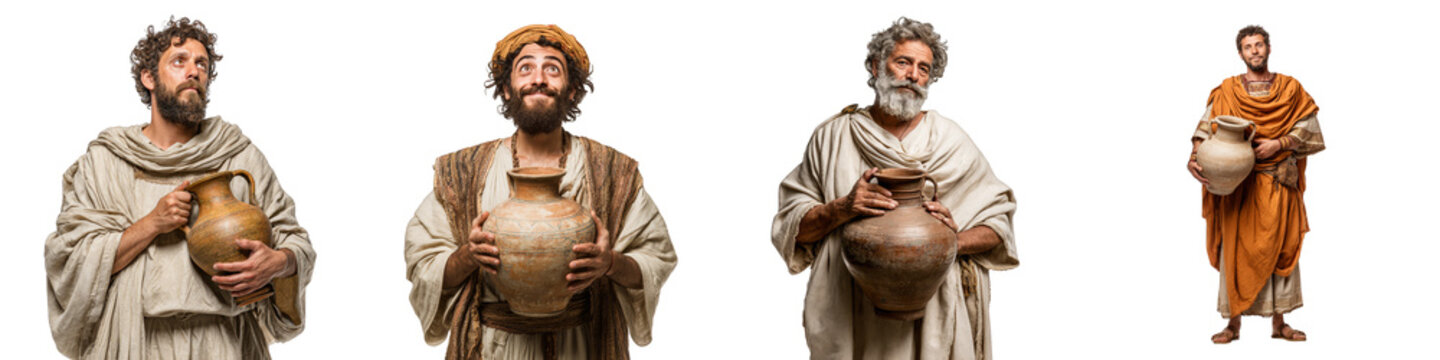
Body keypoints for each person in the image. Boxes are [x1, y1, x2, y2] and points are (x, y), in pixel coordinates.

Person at [44, 17, 314, 359]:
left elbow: (296, 241)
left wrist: (278, 262)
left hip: (225, 342)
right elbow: (69, 257)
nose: (194, 71)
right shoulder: (105, 162)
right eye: (179, 61)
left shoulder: (236, 155)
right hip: (135, 342)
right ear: (148, 78)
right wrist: (152, 224)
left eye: (202, 63)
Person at [404, 24, 677, 360]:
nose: (538, 79)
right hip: (491, 349)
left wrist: (609, 263)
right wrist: (468, 255)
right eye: (525, 68)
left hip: (583, 346)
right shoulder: (462, 172)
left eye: (552, 68)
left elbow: (656, 258)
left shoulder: (613, 170)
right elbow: (422, 261)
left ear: (573, 90)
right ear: (506, 89)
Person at [771, 17, 1017, 360]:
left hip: (932, 313)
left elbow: (999, 226)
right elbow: (792, 230)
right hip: (849, 314)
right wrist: (843, 208)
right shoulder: (833, 137)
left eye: (924, 68)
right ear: (876, 65)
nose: (913, 75)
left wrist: (947, 243)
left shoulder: (950, 140)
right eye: (903, 62)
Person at [1189, 25, 1324, 344]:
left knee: (1280, 248)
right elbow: (1206, 127)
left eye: (1259, 45)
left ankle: (1280, 323)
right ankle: (1232, 323)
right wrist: (1194, 155)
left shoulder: (1291, 89)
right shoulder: (1226, 90)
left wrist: (1279, 144)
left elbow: (1309, 127)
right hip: (1237, 186)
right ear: (1240, 53)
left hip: (1277, 183)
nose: (1254, 51)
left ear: (1268, 48)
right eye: (1248, 46)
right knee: (1234, 250)